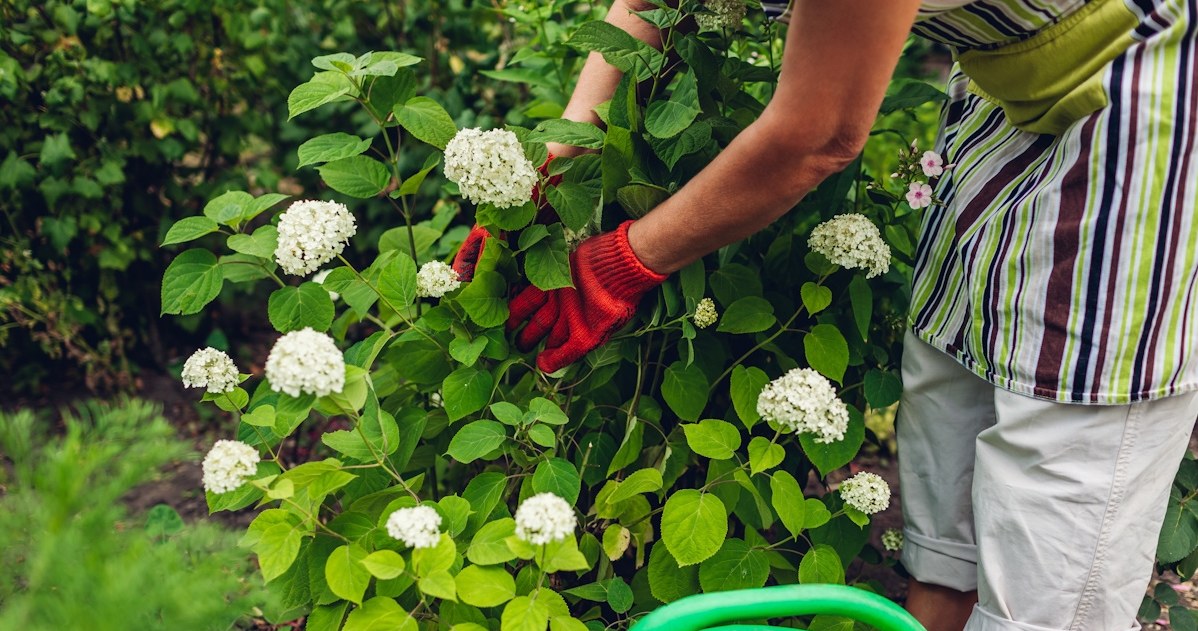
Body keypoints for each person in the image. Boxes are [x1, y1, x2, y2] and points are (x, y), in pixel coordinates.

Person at [460, 0, 1198, 629]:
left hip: (1149, 95)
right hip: (1007, 83)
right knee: (951, 426)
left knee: (1058, 497)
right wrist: (543, 172)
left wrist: (625, 262)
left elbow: (817, 133)